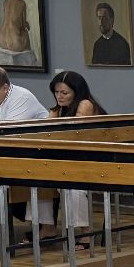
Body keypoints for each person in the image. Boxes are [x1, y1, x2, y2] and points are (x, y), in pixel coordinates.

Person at [0, 65, 50, 240]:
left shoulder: (22, 98)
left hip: (34, 158)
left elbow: (6, 136)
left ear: (5, 88)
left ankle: (47, 228)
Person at [48, 71, 105, 237]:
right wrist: (52, 115)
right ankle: (46, 227)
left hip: (95, 159)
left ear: (76, 92)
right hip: (71, 158)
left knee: (72, 186)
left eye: (64, 93)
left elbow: (73, 131)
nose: (59, 96)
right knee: (37, 179)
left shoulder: (85, 104)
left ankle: (84, 233)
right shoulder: (59, 109)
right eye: (56, 92)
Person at [0, 0, 37, 69]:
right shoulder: (21, 3)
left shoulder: (5, 3)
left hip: (3, 40)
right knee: (25, 31)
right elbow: (23, 23)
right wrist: (27, 25)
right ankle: (31, 61)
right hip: (15, 42)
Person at [89, 2, 132, 67]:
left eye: (104, 18)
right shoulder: (97, 44)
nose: (101, 22)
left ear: (111, 20)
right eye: (99, 18)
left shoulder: (122, 43)